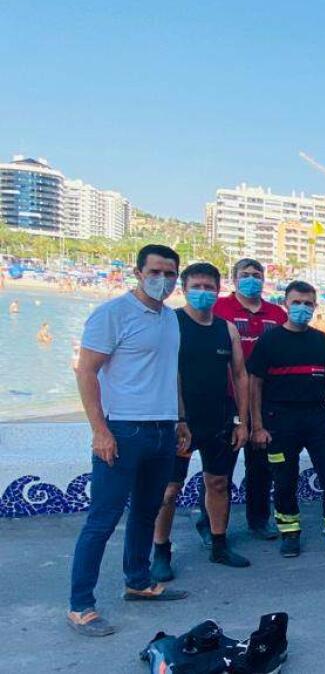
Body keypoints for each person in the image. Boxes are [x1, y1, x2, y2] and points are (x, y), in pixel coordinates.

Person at [68, 244, 189, 637]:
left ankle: (138, 581)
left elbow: (170, 372)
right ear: (138, 272)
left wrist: (180, 418)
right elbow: (86, 372)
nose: (164, 280)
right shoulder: (112, 314)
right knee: (102, 519)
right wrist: (99, 430)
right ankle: (81, 606)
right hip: (122, 430)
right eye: (156, 272)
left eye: (171, 274)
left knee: (146, 511)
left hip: (162, 429)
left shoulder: (170, 319)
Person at [151, 262, 251, 582]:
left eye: (210, 287)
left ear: (219, 289)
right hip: (180, 423)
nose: (204, 292)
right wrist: (179, 417)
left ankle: (219, 545)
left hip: (218, 420)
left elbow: (239, 376)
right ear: (184, 288)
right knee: (169, 490)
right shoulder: (171, 323)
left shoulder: (227, 329)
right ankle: (161, 550)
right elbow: (167, 373)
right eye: (198, 286)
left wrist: (242, 421)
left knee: (218, 483)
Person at [248, 280, 325, 560]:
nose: (302, 308)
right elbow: (255, 384)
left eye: (308, 303)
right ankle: (290, 535)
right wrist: (258, 425)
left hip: (316, 417)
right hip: (279, 419)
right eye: (296, 302)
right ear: (285, 304)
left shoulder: (320, 339)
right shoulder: (270, 340)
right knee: (284, 479)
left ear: (315, 306)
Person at [211, 258, 285, 542]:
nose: (252, 279)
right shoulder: (220, 309)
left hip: (265, 404)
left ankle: (259, 520)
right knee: (220, 470)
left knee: (261, 467)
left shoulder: (277, 314)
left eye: (257, 274)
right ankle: (213, 525)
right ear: (234, 278)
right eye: (246, 275)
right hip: (227, 401)